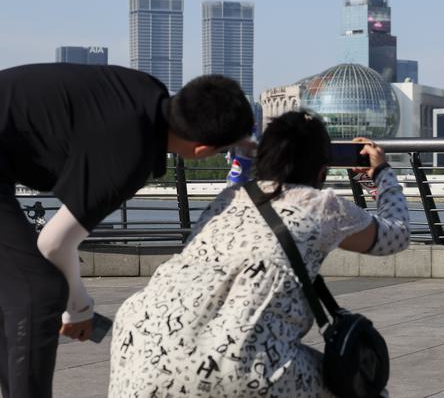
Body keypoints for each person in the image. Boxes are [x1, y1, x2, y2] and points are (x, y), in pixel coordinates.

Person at [108, 110, 410, 397]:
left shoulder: (227, 199)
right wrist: (381, 173)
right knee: (360, 386)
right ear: (321, 171)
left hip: (136, 344)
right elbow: (396, 233)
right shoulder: (322, 206)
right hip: (239, 364)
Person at [0, 63, 254, 398]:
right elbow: (53, 242)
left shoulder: (145, 91)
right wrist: (78, 305)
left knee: (19, 288)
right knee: (40, 291)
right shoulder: (129, 154)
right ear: (202, 151)